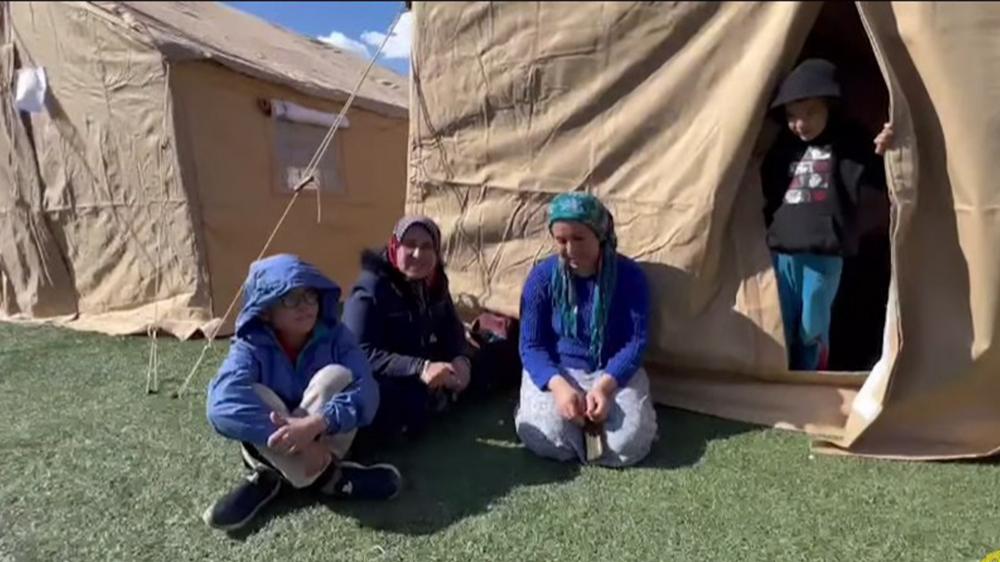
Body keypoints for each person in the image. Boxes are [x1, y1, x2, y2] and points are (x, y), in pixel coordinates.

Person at [203, 254, 401, 532]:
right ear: (265, 311)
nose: (305, 305)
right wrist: (303, 444)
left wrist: (316, 424)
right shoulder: (250, 346)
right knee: (253, 393)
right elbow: (221, 405)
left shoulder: (337, 336)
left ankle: (271, 480)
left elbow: (367, 391)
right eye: (290, 299)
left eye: (310, 295)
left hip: (326, 439)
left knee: (335, 376)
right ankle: (330, 478)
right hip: (283, 448)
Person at [762, 58, 893, 371]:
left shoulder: (849, 142)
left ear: (830, 107)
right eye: (792, 116)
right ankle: (782, 377)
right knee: (780, 321)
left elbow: (883, 177)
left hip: (824, 254)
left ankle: (810, 378)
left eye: (810, 112)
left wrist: (889, 147)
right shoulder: (782, 146)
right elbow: (764, 184)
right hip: (782, 252)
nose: (800, 123)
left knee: (812, 325)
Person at [514, 193, 658, 468]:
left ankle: (598, 428)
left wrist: (605, 388)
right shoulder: (542, 278)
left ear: (600, 236)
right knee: (548, 438)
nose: (569, 249)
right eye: (561, 240)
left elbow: (635, 342)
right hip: (559, 369)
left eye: (578, 239)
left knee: (627, 446)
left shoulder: (630, 277)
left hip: (611, 371)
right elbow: (531, 345)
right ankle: (556, 421)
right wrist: (559, 387)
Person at [342, 216, 480, 445]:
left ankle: (440, 397)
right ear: (394, 247)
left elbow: (451, 328)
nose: (418, 254)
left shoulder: (434, 281)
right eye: (410, 245)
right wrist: (419, 368)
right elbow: (359, 352)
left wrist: (461, 359)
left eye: (427, 247)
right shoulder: (370, 289)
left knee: (487, 360)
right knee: (395, 400)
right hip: (388, 374)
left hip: (425, 360)